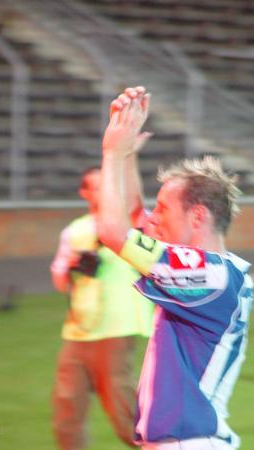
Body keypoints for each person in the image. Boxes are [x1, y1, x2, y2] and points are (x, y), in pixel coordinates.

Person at [97, 86, 254, 450]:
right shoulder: (215, 273)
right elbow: (136, 223)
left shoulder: (209, 275)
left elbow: (116, 232)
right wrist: (127, 155)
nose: (154, 218)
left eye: (163, 209)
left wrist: (112, 153)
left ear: (197, 216)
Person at [50, 165, 155, 450]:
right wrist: (71, 267)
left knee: (125, 415)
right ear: (84, 193)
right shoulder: (75, 230)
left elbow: (152, 256)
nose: (103, 192)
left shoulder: (130, 223)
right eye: (96, 187)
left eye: (106, 185)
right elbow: (59, 277)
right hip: (78, 330)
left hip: (117, 329)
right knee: (66, 410)